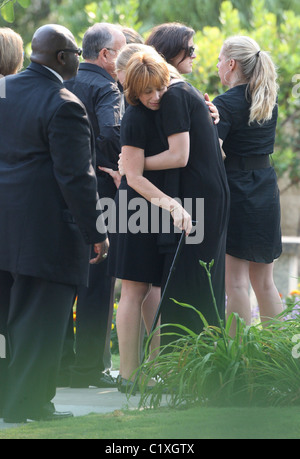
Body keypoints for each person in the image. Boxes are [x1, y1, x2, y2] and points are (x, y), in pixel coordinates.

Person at [0, 24, 108, 424]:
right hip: (45, 234)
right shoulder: (64, 102)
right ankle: (26, 404)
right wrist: (96, 232)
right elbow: (77, 178)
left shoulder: (3, 90)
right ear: (63, 58)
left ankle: (16, 400)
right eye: (77, 52)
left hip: (4, 230)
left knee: (6, 327)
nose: (80, 58)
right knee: (40, 325)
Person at [108, 49, 193, 391]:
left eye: (158, 88)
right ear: (133, 91)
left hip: (155, 206)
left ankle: (152, 371)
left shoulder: (161, 109)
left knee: (151, 288)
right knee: (132, 289)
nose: (155, 97)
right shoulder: (134, 118)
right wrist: (171, 205)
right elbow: (133, 177)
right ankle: (128, 376)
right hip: (134, 207)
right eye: (146, 92)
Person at [142, 23, 229, 346]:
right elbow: (187, 152)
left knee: (195, 279)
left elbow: (181, 154)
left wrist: (135, 166)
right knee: (197, 279)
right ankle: (192, 361)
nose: (195, 55)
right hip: (202, 194)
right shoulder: (178, 92)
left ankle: (190, 362)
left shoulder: (177, 92)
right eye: (189, 49)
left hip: (200, 195)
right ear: (169, 52)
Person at [59, 23, 126, 389]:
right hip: (101, 189)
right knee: (98, 280)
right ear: (105, 55)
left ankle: (60, 365)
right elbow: (112, 132)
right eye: (120, 51)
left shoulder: (64, 84)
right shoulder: (107, 88)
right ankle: (89, 368)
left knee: (65, 279)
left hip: (64, 191)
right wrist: (113, 162)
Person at [212, 36, 283, 333]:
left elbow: (212, 153)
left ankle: (238, 360)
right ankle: (279, 359)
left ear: (231, 64)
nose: (217, 66)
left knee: (237, 282)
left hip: (237, 189)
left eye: (219, 59)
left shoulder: (224, 104)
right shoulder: (268, 99)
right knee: (265, 282)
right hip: (266, 187)